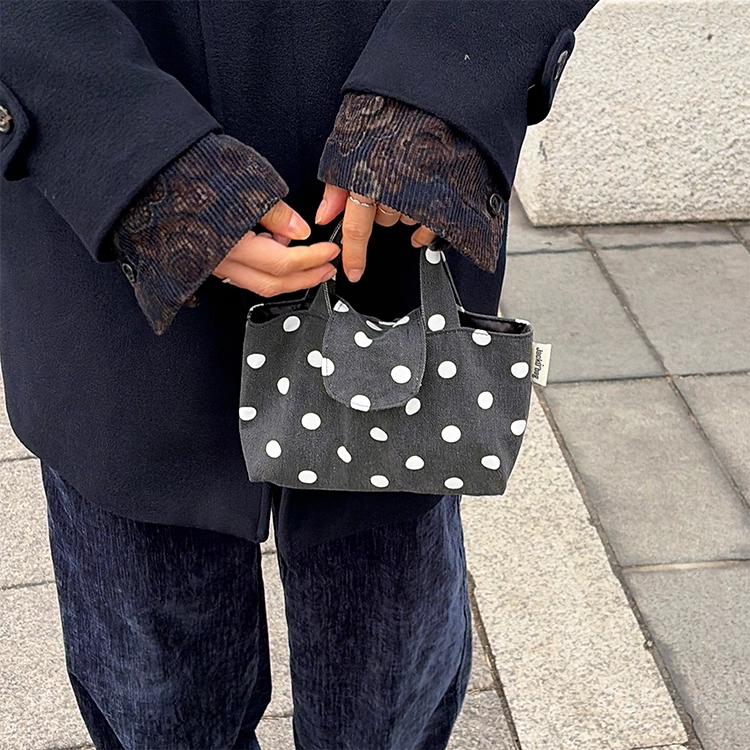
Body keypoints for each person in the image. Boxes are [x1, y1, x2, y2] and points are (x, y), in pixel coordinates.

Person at [0, 1, 598, 747]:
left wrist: (449, 68)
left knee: (388, 680)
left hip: (390, 189)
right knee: (156, 692)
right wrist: (116, 140)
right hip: (102, 223)